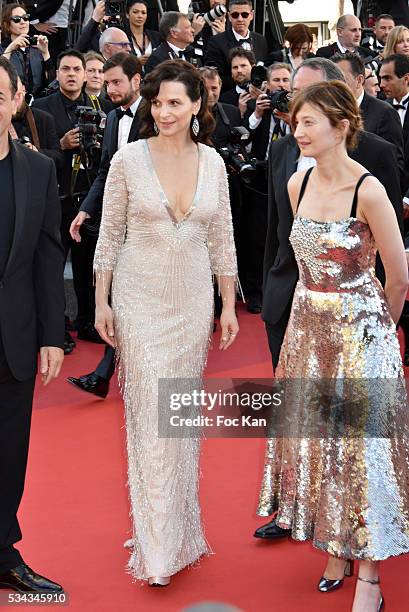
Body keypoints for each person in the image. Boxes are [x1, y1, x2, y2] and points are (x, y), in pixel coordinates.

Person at [266, 78, 409, 612]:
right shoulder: (295, 185)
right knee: (322, 443)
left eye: (309, 122)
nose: (298, 130)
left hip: (361, 333)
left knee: (364, 451)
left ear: (340, 127)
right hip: (308, 331)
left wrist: (376, 335)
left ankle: (369, 574)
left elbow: (398, 275)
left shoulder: (368, 189)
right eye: (296, 121)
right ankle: (336, 547)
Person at [93, 59, 238, 585]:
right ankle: (157, 550)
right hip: (140, 299)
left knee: (177, 419)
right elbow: (108, 235)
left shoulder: (214, 163)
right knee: (151, 419)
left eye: (176, 102)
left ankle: (174, 524)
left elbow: (222, 238)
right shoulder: (129, 159)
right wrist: (101, 302)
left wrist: (226, 304)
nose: (165, 111)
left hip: (193, 303)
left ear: (197, 104)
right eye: (157, 103)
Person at [0, 56, 65, 594]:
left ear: (17, 100)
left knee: (9, 452)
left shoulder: (38, 169)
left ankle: (2, 552)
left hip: (14, 336)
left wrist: (51, 334)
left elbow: (48, 256)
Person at [67, 53, 143, 399]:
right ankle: (106, 372)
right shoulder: (112, 118)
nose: (109, 89)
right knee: (121, 296)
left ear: (136, 80)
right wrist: (86, 210)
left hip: (149, 223)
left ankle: (109, 371)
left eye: (116, 82)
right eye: (107, 82)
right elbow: (104, 171)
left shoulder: (158, 114)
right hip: (117, 221)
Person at [33, 49, 112, 351]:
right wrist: (62, 145)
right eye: (65, 68)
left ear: (84, 74)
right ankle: (57, 328)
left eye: (76, 69)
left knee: (87, 264)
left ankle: (88, 320)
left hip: (87, 196)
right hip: (55, 197)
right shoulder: (41, 107)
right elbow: (39, 152)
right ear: (57, 74)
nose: (71, 74)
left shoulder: (100, 105)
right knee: (53, 267)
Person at [332, 52, 404, 164]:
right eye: (331, 80)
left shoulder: (384, 113)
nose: (334, 85)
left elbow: (394, 165)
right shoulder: (328, 113)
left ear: (359, 80)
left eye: (341, 80)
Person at [204, 0, 268, 91]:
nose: (240, 19)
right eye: (235, 15)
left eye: (244, 15)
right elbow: (214, 76)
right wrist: (244, 81)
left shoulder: (261, 40)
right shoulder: (216, 42)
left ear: (251, 15)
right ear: (229, 16)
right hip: (230, 97)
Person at [1, 3, 54, 98]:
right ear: (7, 25)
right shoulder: (3, 49)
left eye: (25, 18)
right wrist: (10, 48)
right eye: (17, 19)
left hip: (37, 102)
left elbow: (51, 82)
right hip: (12, 100)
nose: (23, 22)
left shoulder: (37, 47)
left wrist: (45, 53)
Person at [11, 76, 63, 169]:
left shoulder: (44, 119)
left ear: (24, 90)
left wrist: (35, 152)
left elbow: (58, 158)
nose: (15, 99)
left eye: (17, 94)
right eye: (10, 96)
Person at [379, 53, 409, 193]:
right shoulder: (380, 110)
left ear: (406, 79)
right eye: (381, 78)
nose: (381, 84)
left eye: (387, 78)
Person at [125, 0, 161, 68]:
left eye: (143, 13)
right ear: (127, 14)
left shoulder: (156, 36)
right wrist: (135, 62)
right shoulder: (122, 37)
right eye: (135, 12)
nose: (140, 16)